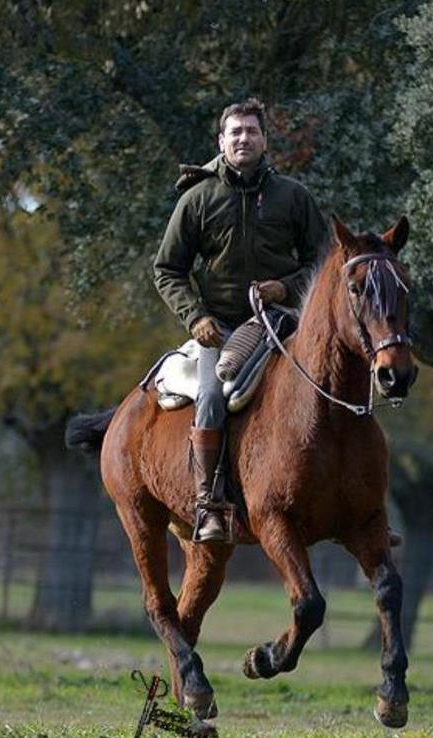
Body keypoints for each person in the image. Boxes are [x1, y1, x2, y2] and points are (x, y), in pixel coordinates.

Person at [153, 98, 329, 542]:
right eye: (235, 132)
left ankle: (359, 502)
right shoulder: (197, 198)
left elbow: (324, 262)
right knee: (212, 397)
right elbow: (167, 269)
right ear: (222, 141)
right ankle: (209, 504)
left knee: (335, 380)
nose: (243, 139)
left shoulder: (293, 196)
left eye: (251, 131)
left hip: (284, 322)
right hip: (221, 328)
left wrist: (284, 288)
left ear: (264, 139)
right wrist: (195, 317)